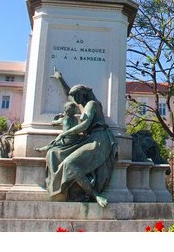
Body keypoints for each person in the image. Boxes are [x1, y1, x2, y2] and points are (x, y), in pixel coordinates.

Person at [39, 70, 117, 207]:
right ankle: (73, 190)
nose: (74, 101)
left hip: (99, 141)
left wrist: (65, 133)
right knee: (55, 153)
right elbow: (69, 94)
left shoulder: (92, 104)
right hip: (89, 139)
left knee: (70, 163)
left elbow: (85, 124)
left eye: (77, 97)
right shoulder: (85, 104)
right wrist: (60, 79)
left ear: (82, 95)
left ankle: (96, 195)